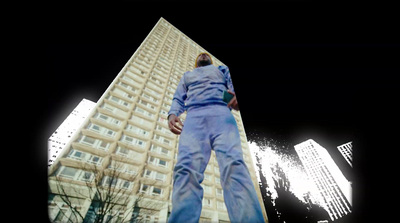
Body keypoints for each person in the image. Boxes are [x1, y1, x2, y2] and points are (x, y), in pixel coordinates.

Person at [167, 52, 265, 223]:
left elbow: (232, 83)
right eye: (200, 55)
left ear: (210, 61)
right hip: (193, 118)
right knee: (185, 169)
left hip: (221, 113)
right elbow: (178, 97)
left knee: (234, 165)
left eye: (206, 55)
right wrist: (172, 114)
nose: (203, 54)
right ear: (196, 63)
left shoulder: (222, 69)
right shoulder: (187, 76)